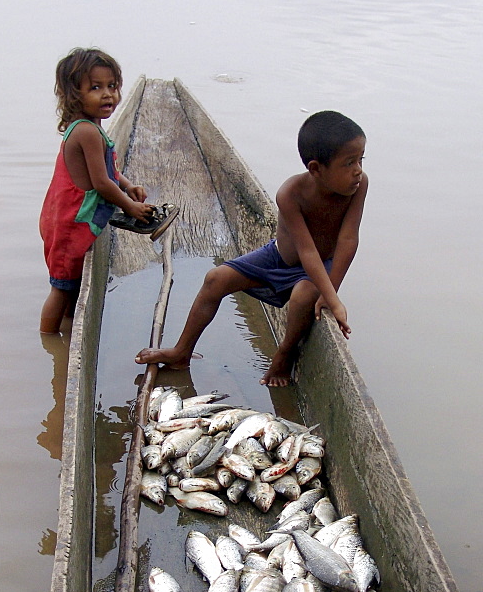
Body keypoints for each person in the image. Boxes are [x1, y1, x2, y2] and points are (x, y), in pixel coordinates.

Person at [135, 110, 367, 386]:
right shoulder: (290, 193)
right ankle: (181, 351)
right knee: (216, 278)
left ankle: (284, 354)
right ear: (316, 169)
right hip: (279, 259)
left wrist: (332, 293)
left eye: (361, 159)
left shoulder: (358, 186)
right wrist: (331, 294)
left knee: (305, 295)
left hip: (319, 267)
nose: (358, 170)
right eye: (349, 163)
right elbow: (305, 250)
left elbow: (348, 239)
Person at [39, 47, 178, 334]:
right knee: (61, 288)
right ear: (75, 94)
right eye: (96, 88)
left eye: (112, 86)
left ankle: (67, 329)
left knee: (72, 286)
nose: (108, 95)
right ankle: (50, 340)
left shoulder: (92, 127)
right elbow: (102, 183)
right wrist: (130, 206)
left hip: (69, 219)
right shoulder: (87, 132)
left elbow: (109, 172)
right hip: (69, 225)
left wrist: (128, 186)